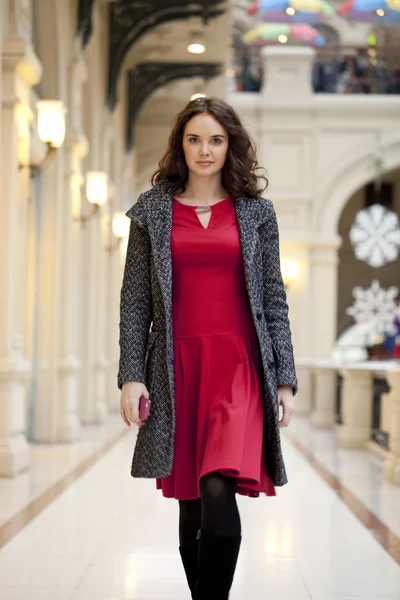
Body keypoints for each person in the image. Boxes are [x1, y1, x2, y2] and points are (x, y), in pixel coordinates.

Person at [118, 96, 298, 600]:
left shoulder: (256, 213)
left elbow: (273, 298)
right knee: (191, 502)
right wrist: (132, 375)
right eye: (194, 139)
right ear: (180, 144)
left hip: (239, 366)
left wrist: (284, 377)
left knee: (218, 488)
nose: (204, 150)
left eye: (215, 140)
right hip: (176, 367)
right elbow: (135, 302)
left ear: (230, 146)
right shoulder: (152, 211)